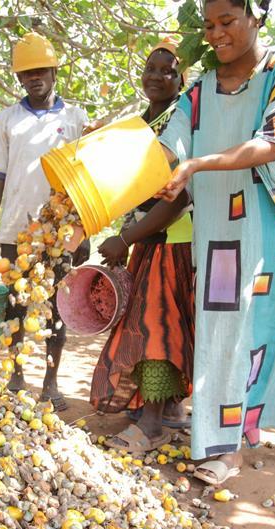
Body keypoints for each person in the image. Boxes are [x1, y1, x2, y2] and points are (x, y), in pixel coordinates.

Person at [156, 0, 275, 483]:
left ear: (256, 15)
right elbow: (168, 147)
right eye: (209, 25)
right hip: (223, 238)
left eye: (227, 22)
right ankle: (227, 448)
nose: (216, 33)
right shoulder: (199, 91)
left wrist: (197, 165)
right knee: (225, 338)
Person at [90, 38, 194, 454]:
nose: (157, 76)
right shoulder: (142, 124)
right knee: (161, 326)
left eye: (168, 71)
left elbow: (179, 199)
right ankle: (166, 410)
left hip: (174, 237)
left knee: (156, 329)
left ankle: (152, 425)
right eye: (151, 68)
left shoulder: (179, 121)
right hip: (148, 239)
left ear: (181, 79)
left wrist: (124, 238)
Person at [0, 32, 89, 410]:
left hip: (61, 234)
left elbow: (86, 179)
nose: (34, 77)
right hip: (15, 232)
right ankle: (15, 378)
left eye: (40, 70)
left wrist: (85, 231)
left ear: (54, 71)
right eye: (26, 73)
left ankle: (51, 383)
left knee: (58, 309)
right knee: (16, 308)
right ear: (19, 79)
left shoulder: (75, 118)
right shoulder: (7, 120)